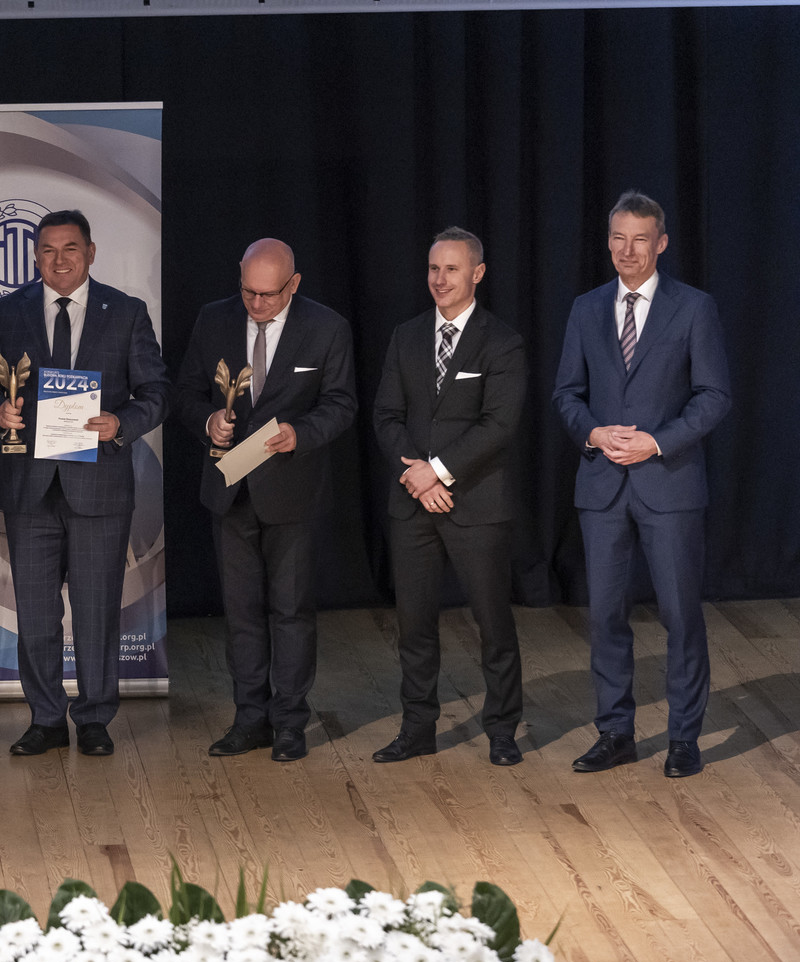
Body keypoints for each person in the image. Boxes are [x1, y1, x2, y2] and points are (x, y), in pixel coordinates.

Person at [0, 209, 169, 757]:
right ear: (35, 256)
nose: (59, 260)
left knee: (96, 611)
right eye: (48, 250)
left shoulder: (126, 313)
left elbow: (157, 393)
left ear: (91, 253)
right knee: (36, 615)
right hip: (29, 488)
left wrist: (120, 423)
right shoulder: (7, 311)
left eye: (70, 249)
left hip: (98, 485)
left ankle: (96, 718)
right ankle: (46, 719)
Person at [553, 191, 731, 778]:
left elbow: (714, 396)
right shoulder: (586, 308)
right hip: (601, 486)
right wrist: (593, 432)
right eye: (618, 238)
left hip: (669, 484)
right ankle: (615, 733)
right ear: (608, 242)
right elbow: (567, 393)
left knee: (680, 615)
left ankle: (683, 738)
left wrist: (656, 441)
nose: (627, 251)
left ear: (661, 243)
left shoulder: (694, 307)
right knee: (605, 614)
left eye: (640, 240)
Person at [172, 238, 355, 762]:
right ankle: (249, 719)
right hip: (230, 491)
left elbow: (341, 404)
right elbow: (185, 393)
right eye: (248, 291)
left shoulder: (326, 327)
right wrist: (208, 420)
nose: (256, 304)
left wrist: (301, 432)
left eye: (268, 295)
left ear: (293, 285)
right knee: (242, 613)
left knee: (291, 611)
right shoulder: (213, 319)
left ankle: (290, 722)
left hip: (292, 491)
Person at [371, 228, 527, 767]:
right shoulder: (406, 336)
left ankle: (502, 730)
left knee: (493, 623)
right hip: (412, 502)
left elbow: (499, 424)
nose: (440, 279)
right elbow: (387, 416)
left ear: (477, 273)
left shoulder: (501, 341)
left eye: (452, 269)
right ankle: (417, 728)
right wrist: (416, 476)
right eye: (434, 268)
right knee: (414, 625)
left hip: (476, 504)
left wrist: (437, 472)